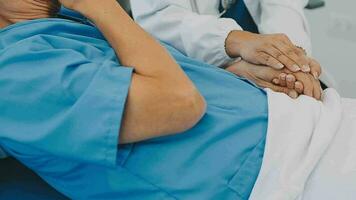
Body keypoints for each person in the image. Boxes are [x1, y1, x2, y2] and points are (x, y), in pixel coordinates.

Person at [0, 0, 355, 199]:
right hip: (286, 169)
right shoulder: (15, 74)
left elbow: (165, 83)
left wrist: (237, 76)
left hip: (306, 126)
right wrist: (101, 6)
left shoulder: (64, 23)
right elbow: (180, 103)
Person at [130, 0, 323, 98]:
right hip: (189, 63)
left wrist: (291, 55)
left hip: (264, 59)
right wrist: (236, 41)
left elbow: (283, 4)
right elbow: (160, 17)